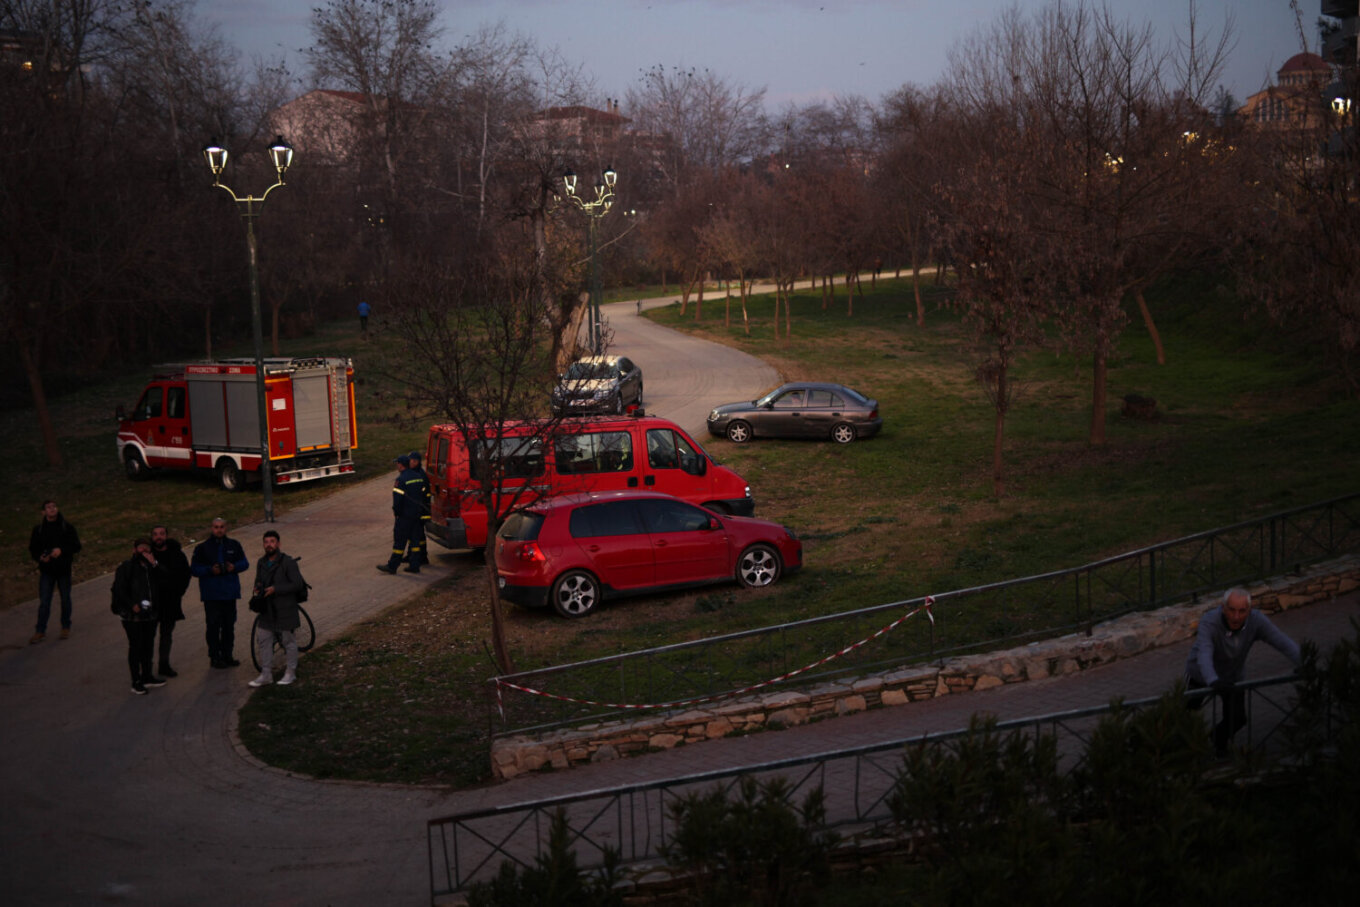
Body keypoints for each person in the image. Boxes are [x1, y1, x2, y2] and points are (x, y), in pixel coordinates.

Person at [1185, 587, 1302, 756]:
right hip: (1201, 674)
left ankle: (1217, 742)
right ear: (1223, 607)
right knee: (1186, 714)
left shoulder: (1256, 621)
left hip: (1232, 675)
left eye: (1242, 611)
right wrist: (1213, 680)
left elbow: (1281, 641)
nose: (1236, 617)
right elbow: (1204, 653)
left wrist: (1304, 661)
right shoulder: (1210, 622)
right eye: (1231, 610)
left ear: (1250, 610)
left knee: (1237, 718)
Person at [111, 538, 168, 695]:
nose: (144, 552)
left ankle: (147, 676)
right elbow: (118, 589)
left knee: (148, 645)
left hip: (150, 614)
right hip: (132, 616)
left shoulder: (152, 567)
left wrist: (154, 564)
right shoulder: (126, 567)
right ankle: (136, 681)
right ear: (134, 550)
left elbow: (165, 579)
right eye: (141, 549)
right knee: (136, 646)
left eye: (147, 549)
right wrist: (132, 605)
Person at [248, 530, 305, 687]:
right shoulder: (261, 562)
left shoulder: (288, 562)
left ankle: (290, 673)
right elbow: (258, 580)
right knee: (264, 640)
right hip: (267, 610)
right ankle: (266, 674)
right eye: (266, 542)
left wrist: (276, 589)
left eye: (272, 541)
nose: (269, 545)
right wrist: (258, 588)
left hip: (285, 609)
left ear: (278, 544)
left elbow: (297, 584)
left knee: (289, 641)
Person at [192, 518, 250, 669]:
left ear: (226, 528)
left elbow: (245, 563)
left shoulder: (234, 545)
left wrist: (234, 567)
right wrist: (210, 570)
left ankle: (227, 655)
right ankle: (214, 657)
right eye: (216, 527)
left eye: (222, 527)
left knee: (228, 626)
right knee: (212, 627)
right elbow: (194, 569)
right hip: (211, 595)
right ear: (212, 528)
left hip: (229, 594)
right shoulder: (202, 548)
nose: (219, 530)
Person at [28, 499, 82, 644]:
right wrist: (40, 557)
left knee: (65, 599)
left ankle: (65, 626)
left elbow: (76, 546)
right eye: (48, 507)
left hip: (63, 569)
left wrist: (61, 550)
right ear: (43, 512)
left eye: (54, 507)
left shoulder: (67, 527)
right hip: (47, 571)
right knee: (45, 601)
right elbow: (33, 548)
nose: (52, 509)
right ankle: (40, 630)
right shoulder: (38, 530)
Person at [150, 525, 192, 677]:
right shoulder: (147, 555)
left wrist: (178, 593)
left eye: (161, 534)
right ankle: (147, 668)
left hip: (170, 602)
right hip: (152, 604)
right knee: (148, 636)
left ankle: (164, 664)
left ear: (166, 536)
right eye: (155, 534)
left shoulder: (176, 554)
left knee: (166, 635)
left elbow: (185, 575)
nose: (158, 537)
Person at [377, 453, 429, 575]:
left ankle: (392, 566)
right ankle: (415, 565)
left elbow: (398, 500)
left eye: (397, 463)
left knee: (400, 542)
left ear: (401, 465)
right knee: (415, 541)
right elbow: (422, 495)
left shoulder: (401, 480)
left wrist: (397, 513)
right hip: (416, 515)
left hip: (405, 516)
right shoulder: (418, 477)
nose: (397, 465)